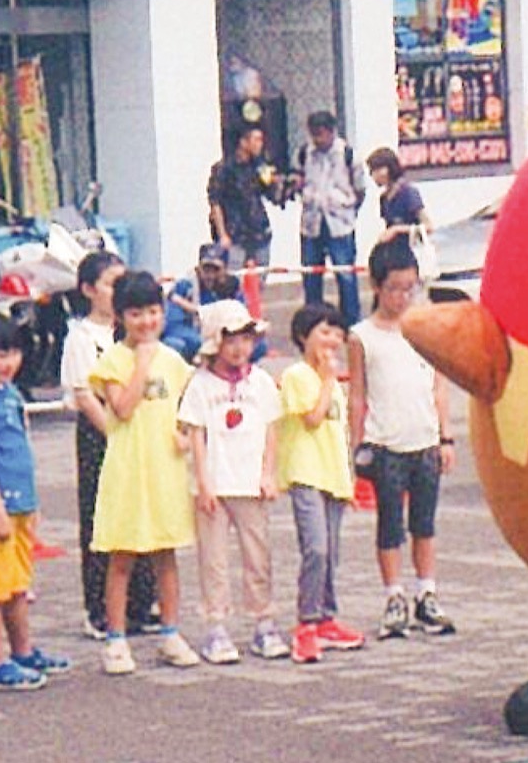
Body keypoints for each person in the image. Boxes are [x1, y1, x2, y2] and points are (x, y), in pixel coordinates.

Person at [89, 270, 200, 674]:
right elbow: (121, 407)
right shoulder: (113, 359)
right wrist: (141, 363)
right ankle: (116, 639)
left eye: (153, 311)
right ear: (121, 316)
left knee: (165, 555)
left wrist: (186, 435)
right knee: (123, 557)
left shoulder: (174, 361)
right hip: (127, 470)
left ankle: (171, 632)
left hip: (165, 469)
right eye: (136, 313)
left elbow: (188, 409)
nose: (147, 321)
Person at [348, 238, 457, 640]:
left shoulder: (425, 328)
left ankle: (426, 593)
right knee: (390, 525)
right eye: (394, 288)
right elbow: (357, 394)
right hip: (386, 444)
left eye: (409, 287)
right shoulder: (362, 336)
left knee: (425, 524)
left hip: (425, 441)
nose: (401, 296)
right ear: (376, 286)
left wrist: (446, 438)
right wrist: (356, 445)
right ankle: (393, 596)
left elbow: (439, 386)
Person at [0, 310, 71, 690]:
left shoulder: (11, 395)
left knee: (18, 585)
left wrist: (30, 505)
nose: (9, 363)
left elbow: (20, 451)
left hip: (20, 506)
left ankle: (23, 651)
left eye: (14, 354)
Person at [177, 300, 287, 664]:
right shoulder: (200, 385)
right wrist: (204, 484)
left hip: (250, 483)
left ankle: (264, 622)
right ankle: (216, 627)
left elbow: (272, 430)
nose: (240, 348)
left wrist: (269, 473)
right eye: (231, 339)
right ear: (214, 342)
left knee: (258, 555)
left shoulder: (261, 383)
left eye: (246, 338)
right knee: (214, 559)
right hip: (214, 485)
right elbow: (195, 435)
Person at [59, 250, 159, 639]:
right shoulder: (81, 337)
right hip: (100, 433)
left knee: (142, 513)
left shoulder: (132, 333)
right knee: (101, 520)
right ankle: (99, 608)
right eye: (109, 284)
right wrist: (116, 437)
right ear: (88, 289)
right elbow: (85, 395)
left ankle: (141, 603)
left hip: (137, 430)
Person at [278, 302, 366, 664]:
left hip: (332, 475)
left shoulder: (335, 387)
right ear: (304, 336)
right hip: (305, 473)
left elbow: (337, 434)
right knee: (315, 548)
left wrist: (349, 481)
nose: (332, 341)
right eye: (324, 332)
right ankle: (307, 623)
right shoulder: (299, 375)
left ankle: (327, 617)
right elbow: (313, 419)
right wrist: (329, 379)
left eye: (337, 333)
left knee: (332, 551)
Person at [291, 110, 366, 328]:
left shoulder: (348, 154)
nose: (318, 140)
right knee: (311, 275)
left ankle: (351, 323)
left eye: (321, 134)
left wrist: (348, 209)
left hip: (339, 224)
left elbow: (360, 189)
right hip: (311, 223)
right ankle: (313, 321)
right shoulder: (305, 153)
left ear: (332, 131)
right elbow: (298, 181)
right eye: (314, 135)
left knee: (345, 276)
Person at [162, 242, 265, 363]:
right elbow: (172, 326)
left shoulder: (233, 287)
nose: (210, 275)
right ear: (198, 268)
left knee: (259, 346)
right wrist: (200, 339)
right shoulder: (185, 286)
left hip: (228, 339)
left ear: (225, 269)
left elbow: (243, 321)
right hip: (195, 339)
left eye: (215, 270)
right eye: (206, 269)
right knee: (174, 344)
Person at [207, 123, 283, 275]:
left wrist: (277, 183)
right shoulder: (224, 169)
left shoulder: (260, 167)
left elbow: (273, 197)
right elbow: (215, 202)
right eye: (256, 140)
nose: (260, 144)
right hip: (235, 232)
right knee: (234, 278)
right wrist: (222, 234)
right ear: (243, 142)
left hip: (259, 231)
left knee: (259, 277)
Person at [366, 146, 433, 246]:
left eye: (377, 170)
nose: (374, 175)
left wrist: (397, 230)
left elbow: (428, 227)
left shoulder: (408, 193)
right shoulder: (384, 198)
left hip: (411, 251)